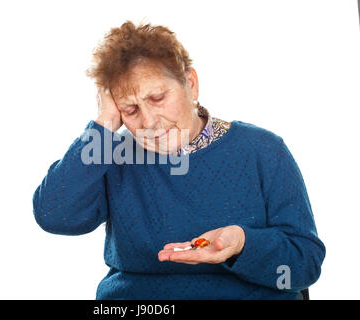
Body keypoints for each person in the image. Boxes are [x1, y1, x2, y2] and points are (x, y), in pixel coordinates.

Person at [32, 20, 325, 299]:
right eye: (130, 110)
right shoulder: (112, 154)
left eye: (157, 98)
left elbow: (304, 265)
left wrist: (242, 244)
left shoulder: (263, 150)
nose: (149, 121)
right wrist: (104, 124)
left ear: (191, 84)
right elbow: (54, 215)